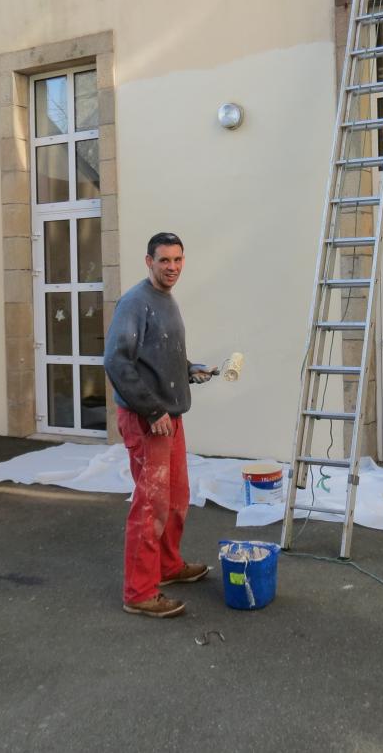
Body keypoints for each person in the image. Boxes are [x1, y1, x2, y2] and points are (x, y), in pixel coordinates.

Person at [104, 232, 216, 618]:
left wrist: (190, 369)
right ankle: (139, 592)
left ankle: (167, 566)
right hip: (147, 419)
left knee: (177, 497)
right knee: (151, 505)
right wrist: (152, 411)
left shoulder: (166, 300)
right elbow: (117, 361)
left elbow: (160, 354)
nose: (172, 267)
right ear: (148, 261)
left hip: (170, 417)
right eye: (164, 260)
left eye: (178, 260)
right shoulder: (135, 303)